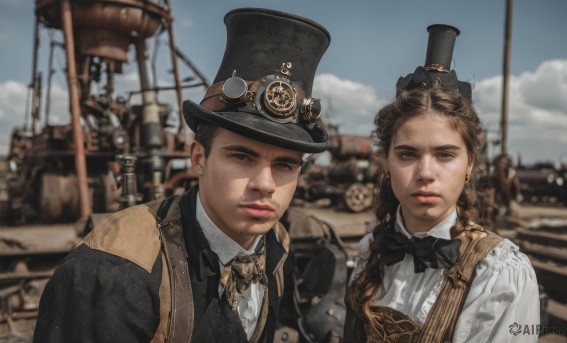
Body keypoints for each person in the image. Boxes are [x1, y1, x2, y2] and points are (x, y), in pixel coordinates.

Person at [33, 8, 330, 343]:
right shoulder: (109, 276)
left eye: (285, 165)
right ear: (199, 158)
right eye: (242, 157)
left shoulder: (276, 246)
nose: (265, 184)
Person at [343, 25, 540, 342]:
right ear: (386, 162)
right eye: (407, 154)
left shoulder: (499, 273)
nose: (425, 173)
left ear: (470, 163)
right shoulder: (370, 249)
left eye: (445, 155)